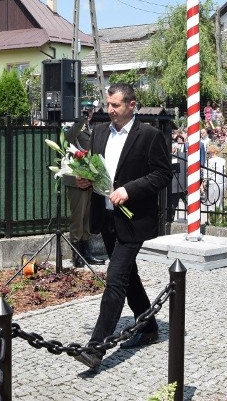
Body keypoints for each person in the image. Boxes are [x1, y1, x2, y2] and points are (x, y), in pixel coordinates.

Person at [74, 83, 172, 371]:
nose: (110, 110)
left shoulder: (150, 135)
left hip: (134, 219)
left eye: (115, 105)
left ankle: (95, 349)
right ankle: (149, 326)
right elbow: (95, 170)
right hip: (105, 218)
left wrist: (129, 190)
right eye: (108, 105)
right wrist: (85, 180)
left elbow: (162, 174)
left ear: (132, 105)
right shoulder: (100, 132)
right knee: (128, 275)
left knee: (115, 279)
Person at [64, 114, 105, 267]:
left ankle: (87, 253)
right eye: (85, 111)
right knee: (78, 218)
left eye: (89, 111)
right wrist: (79, 120)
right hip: (76, 179)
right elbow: (67, 140)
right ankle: (77, 255)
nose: (89, 113)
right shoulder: (72, 126)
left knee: (87, 218)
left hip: (89, 177)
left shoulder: (89, 127)